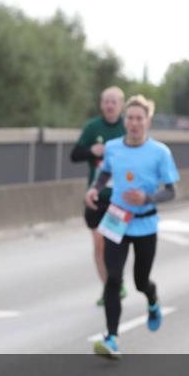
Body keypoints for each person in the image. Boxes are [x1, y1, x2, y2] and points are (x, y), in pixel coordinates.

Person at [84, 95, 180, 359]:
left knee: (140, 281)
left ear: (147, 122)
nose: (134, 123)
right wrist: (94, 189)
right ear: (125, 121)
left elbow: (171, 191)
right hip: (117, 219)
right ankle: (112, 337)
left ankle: (152, 299)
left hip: (145, 222)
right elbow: (105, 172)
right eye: (130, 118)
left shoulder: (160, 152)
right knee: (113, 279)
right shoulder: (113, 147)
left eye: (139, 118)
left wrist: (147, 198)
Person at [71, 86, 127, 306]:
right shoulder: (93, 127)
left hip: (120, 198)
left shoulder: (128, 127)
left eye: (114, 101)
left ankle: (115, 281)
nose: (110, 105)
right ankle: (109, 288)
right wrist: (91, 151)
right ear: (101, 104)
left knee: (113, 244)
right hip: (97, 195)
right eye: (106, 101)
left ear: (121, 105)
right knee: (99, 244)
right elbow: (74, 154)